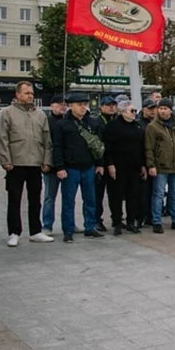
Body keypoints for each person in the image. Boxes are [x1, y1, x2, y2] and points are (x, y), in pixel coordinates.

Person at [0, 81, 54, 246]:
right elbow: (2, 138)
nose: (30, 96)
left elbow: (46, 140)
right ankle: (14, 232)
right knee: (14, 199)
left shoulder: (40, 114)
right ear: (18, 94)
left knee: (35, 199)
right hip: (16, 163)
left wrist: (46, 160)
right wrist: (5, 160)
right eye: (27, 93)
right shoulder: (7, 113)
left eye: (32, 93)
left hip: (35, 163)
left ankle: (35, 231)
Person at [52, 94, 106, 243]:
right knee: (68, 201)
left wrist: (100, 164)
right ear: (70, 106)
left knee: (90, 200)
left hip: (89, 166)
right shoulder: (62, 124)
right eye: (79, 104)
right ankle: (68, 230)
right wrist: (60, 167)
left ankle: (90, 227)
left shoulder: (93, 123)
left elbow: (98, 145)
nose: (83, 107)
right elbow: (57, 147)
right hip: (70, 168)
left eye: (85, 104)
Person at [145, 98, 175, 233]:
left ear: (171, 110)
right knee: (158, 194)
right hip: (161, 166)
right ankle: (156, 221)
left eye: (165, 108)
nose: (163, 111)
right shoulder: (153, 127)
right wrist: (151, 165)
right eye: (160, 108)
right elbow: (149, 148)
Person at [102, 100, 145, 235]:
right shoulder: (113, 126)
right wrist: (110, 164)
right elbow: (107, 147)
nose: (134, 114)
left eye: (135, 111)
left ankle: (131, 221)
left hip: (134, 167)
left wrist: (142, 165)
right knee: (116, 195)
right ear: (122, 111)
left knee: (133, 195)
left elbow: (141, 147)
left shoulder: (137, 126)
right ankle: (117, 222)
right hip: (118, 167)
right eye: (132, 111)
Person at [41, 95, 67, 235]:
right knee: (49, 197)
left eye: (64, 104)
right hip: (51, 167)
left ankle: (69, 224)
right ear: (52, 106)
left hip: (67, 165)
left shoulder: (68, 121)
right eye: (59, 104)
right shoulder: (47, 122)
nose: (62, 107)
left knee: (68, 198)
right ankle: (47, 225)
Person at [93, 96, 119, 232]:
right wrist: (100, 164)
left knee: (115, 194)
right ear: (101, 107)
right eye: (108, 105)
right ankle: (96, 220)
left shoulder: (116, 122)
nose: (111, 107)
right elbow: (98, 146)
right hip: (101, 164)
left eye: (113, 105)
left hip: (115, 164)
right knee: (98, 194)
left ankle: (116, 219)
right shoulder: (97, 122)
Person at [136, 98, 158, 227]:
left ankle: (151, 215)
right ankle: (140, 216)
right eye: (150, 109)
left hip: (157, 162)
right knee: (142, 192)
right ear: (143, 109)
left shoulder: (158, 124)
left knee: (155, 191)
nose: (153, 111)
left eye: (154, 108)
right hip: (143, 162)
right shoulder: (139, 124)